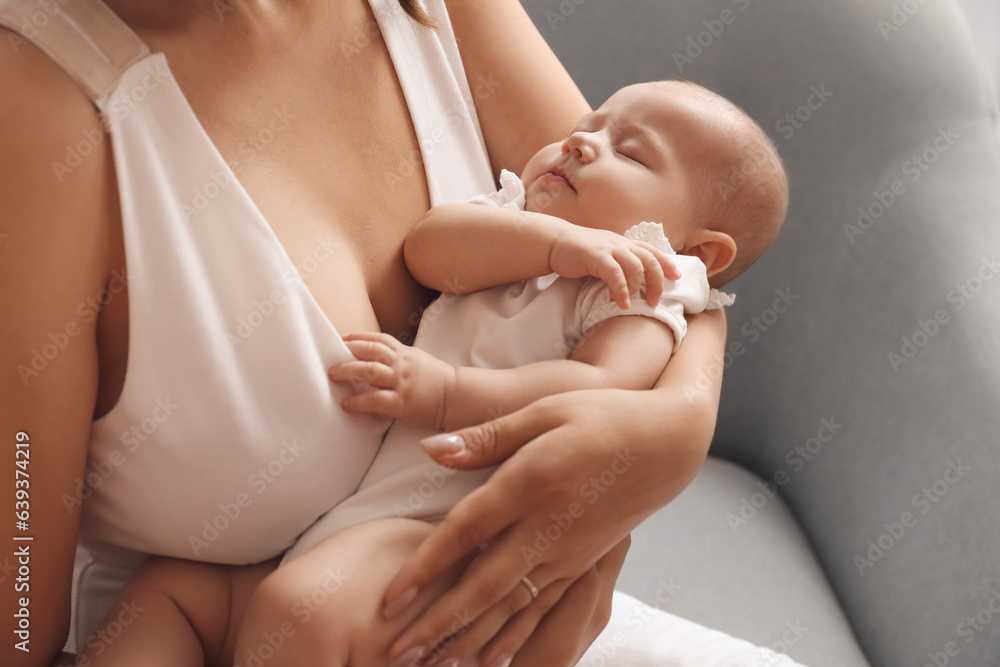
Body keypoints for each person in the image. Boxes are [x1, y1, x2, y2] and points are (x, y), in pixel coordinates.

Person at [0, 0, 743, 665]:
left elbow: (666, 269)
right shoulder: (36, 98)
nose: (584, 143)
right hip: (251, 597)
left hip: (428, 577)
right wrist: (663, 427)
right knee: (185, 597)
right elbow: (19, 601)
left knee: (301, 608)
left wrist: (678, 425)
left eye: (621, 146)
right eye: (588, 132)